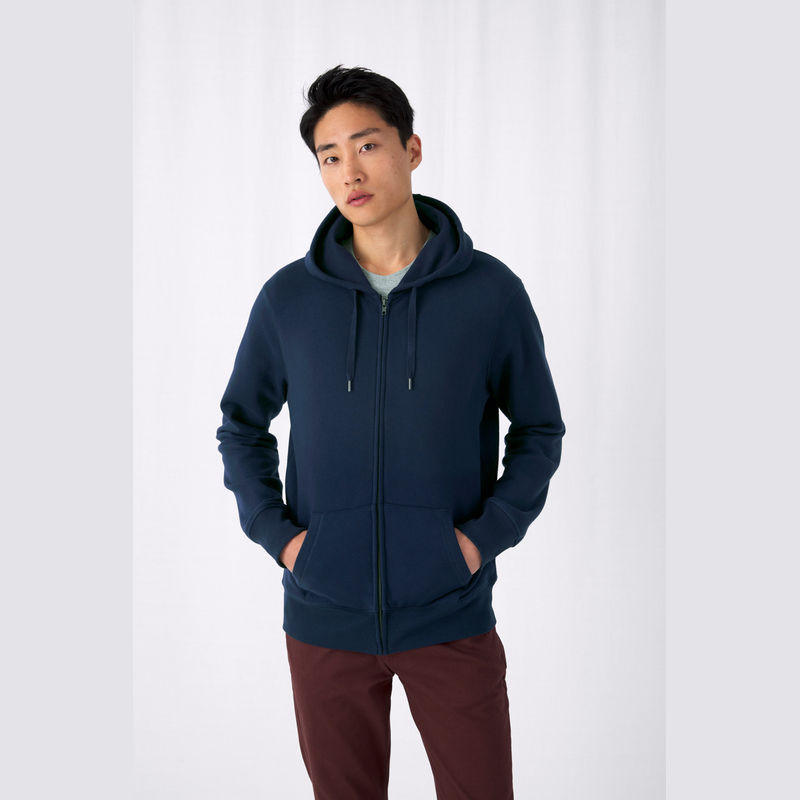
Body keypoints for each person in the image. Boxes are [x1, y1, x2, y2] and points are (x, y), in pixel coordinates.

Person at [215, 64, 566, 800]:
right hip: (323, 616)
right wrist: (283, 539)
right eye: (329, 156)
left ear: (412, 149)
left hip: (451, 612)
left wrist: (479, 540)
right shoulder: (288, 299)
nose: (349, 171)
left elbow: (539, 429)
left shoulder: (490, 293)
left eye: (367, 146)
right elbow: (241, 424)